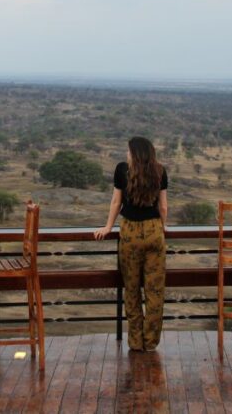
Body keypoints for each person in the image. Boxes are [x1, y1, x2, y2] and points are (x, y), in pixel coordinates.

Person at [94, 136, 168, 351]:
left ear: (134, 153)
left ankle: (136, 341)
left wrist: (108, 227)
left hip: (130, 233)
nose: (125, 154)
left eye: (128, 150)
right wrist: (162, 227)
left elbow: (116, 201)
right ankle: (151, 341)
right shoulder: (160, 171)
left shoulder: (121, 170)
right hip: (154, 230)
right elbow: (163, 207)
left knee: (132, 289)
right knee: (155, 291)